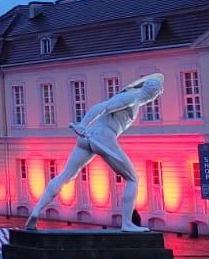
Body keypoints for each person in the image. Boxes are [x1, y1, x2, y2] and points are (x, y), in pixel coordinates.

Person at [25, 74, 166, 231]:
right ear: (153, 94)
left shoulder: (133, 100)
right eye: (157, 95)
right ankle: (127, 223)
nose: (155, 99)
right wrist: (83, 124)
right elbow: (101, 107)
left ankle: (36, 210)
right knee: (133, 178)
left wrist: (85, 127)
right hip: (103, 137)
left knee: (66, 175)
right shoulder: (131, 99)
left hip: (89, 138)